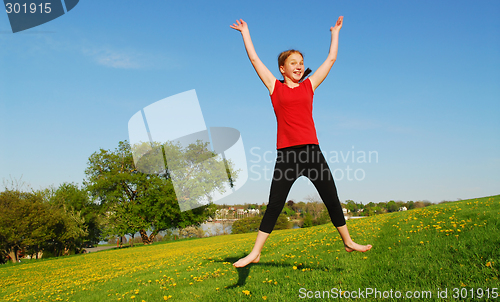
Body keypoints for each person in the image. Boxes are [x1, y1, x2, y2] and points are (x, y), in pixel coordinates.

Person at [230, 16, 372, 268]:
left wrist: (335, 33)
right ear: (282, 68)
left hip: (312, 153)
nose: (298, 66)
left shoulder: (309, 86)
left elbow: (330, 59)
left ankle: (348, 241)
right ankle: (255, 252)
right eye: (292, 63)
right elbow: (254, 60)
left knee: (331, 198)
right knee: (274, 204)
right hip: (287, 156)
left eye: (301, 62)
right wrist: (245, 33)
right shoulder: (274, 87)